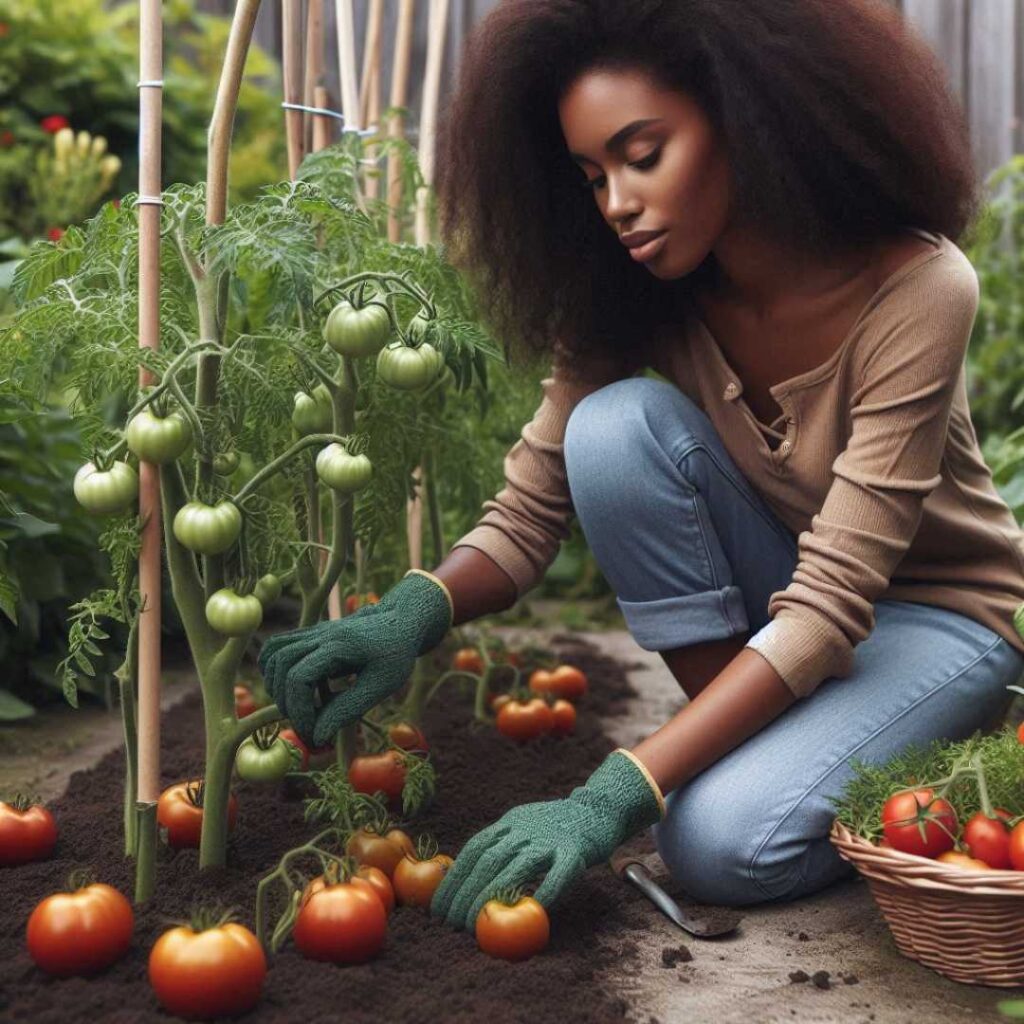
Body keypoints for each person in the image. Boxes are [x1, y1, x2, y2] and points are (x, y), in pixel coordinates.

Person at [259, 0, 1024, 931]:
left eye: (643, 154)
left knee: (713, 843)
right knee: (612, 430)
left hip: (941, 617)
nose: (617, 202)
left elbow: (833, 600)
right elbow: (528, 509)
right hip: (795, 607)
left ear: (747, 120)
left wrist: (616, 791)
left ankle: (915, 753)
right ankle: (785, 747)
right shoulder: (641, 288)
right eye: (591, 176)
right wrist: (409, 614)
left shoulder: (917, 286)